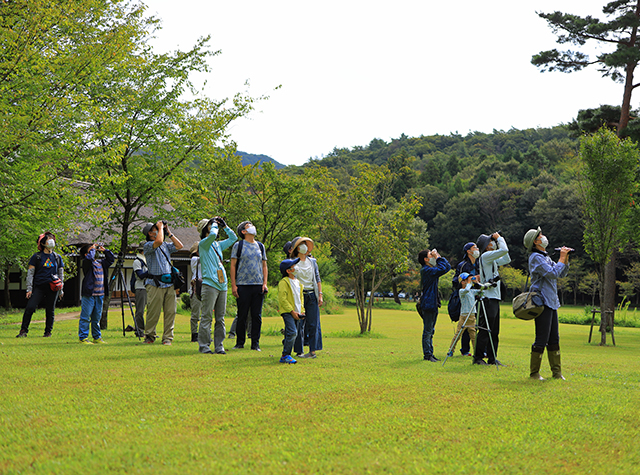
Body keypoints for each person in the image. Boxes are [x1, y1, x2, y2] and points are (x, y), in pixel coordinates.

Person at [523, 227, 570, 380]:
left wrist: (565, 259)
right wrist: (561, 258)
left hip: (551, 301)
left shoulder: (545, 256)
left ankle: (557, 373)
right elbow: (553, 273)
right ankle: (534, 373)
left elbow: (561, 273)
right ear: (535, 242)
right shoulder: (536, 257)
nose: (543, 237)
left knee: (554, 338)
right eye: (540, 235)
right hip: (541, 302)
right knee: (542, 337)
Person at [197, 216, 237, 355]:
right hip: (209, 284)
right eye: (210, 225)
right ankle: (204, 346)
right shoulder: (203, 244)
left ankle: (219, 345)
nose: (214, 227)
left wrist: (225, 226)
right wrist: (214, 224)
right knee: (207, 316)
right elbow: (213, 234)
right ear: (205, 229)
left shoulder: (217, 245)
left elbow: (233, 239)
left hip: (222, 285)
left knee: (220, 318)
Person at [142, 220, 183, 345]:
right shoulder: (148, 245)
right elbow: (158, 241)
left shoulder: (165, 245)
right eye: (155, 229)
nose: (159, 230)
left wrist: (169, 232)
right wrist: (160, 228)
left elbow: (179, 246)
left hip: (169, 283)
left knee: (170, 312)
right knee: (153, 312)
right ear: (150, 233)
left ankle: (167, 338)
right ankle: (149, 336)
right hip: (155, 284)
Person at [17, 232, 65, 338]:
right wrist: (29, 289)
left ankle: (48, 332)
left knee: (50, 310)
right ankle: (23, 330)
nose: (51, 240)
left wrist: (61, 289)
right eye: (48, 239)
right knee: (30, 307)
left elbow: (61, 274)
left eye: (52, 238)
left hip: (53, 287)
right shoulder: (36, 257)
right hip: (39, 286)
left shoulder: (57, 257)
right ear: (43, 243)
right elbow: (30, 274)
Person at [473, 231, 510, 366]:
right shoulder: (486, 256)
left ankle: (492, 357)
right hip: (488, 298)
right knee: (485, 329)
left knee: (494, 331)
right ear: (486, 246)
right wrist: (500, 238)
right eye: (491, 241)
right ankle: (478, 358)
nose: (493, 243)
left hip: (494, 297)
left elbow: (506, 258)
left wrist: (499, 242)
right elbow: (505, 249)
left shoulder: (491, 258)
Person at [230, 221, 268, 351]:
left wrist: (265, 283)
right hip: (242, 284)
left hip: (258, 285)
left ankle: (255, 344)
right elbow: (233, 265)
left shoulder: (260, 246)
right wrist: (233, 285)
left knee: (256, 316)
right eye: (248, 226)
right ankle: (240, 342)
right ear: (243, 232)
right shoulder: (238, 245)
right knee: (242, 315)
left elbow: (264, 265)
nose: (252, 226)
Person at [291, 236, 323, 358]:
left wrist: (320, 294)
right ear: (297, 248)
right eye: (301, 244)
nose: (304, 246)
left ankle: (313, 351)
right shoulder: (293, 261)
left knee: (313, 324)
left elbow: (317, 279)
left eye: (305, 244)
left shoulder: (313, 262)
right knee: (299, 324)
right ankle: (299, 351)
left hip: (312, 295)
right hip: (299, 295)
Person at [417, 248, 451, 362]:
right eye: (430, 256)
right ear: (426, 259)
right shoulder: (427, 270)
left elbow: (446, 267)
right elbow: (444, 268)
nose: (433, 257)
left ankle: (430, 353)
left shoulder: (430, 270)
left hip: (432, 303)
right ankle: (427, 355)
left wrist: (438, 257)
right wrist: (438, 257)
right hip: (428, 303)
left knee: (430, 330)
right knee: (428, 330)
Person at [78, 243, 115, 344]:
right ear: (86, 254)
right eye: (91, 250)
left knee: (96, 317)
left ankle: (97, 337)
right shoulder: (86, 263)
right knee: (86, 317)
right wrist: (92, 250)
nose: (94, 251)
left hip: (100, 294)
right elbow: (89, 259)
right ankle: (83, 338)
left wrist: (105, 251)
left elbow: (111, 259)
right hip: (89, 294)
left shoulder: (101, 263)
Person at [451, 242, 480, 356]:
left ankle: (477, 350)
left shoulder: (478, 263)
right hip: (465, 297)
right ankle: (465, 350)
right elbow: (457, 281)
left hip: (475, 296)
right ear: (468, 251)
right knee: (464, 328)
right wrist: (471, 280)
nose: (477, 249)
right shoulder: (463, 265)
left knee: (473, 326)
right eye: (475, 248)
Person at [278, 257, 304, 364]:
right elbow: (283, 299)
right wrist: (291, 311)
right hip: (288, 312)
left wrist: (302, 310)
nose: (296, 268)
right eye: (293, 267)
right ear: (288, 271)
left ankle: (286, 350)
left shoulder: (298, 282)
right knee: (293, 332)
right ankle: (285, 355)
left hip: (297, 312)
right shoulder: (283, 282)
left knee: (292, 333)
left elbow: (300, 298)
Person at [448, 273, 479, 357]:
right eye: (467, 280)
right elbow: (467, 290)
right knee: (458, 334)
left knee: (473, 335)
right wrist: (470, 282)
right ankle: (451, 350)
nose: (469, 281)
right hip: (464, 316)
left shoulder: (472, 291)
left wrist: (477, 282)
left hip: (472, 315)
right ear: (462, 282)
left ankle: (476, 352)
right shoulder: (461, 291)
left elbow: (481, 291)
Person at [131, 245, 148, 338]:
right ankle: (139, 330)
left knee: (151, 310)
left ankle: (149, 331)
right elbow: (140, 275)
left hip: (148, 287)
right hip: (141, 288)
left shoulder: (146, 260)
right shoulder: (137, 261)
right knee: (140, 311)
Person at [189, 242, 202, 342]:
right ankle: (194, 333)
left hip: (204, 286)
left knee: (205, 313)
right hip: (196, 288)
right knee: (195, 314)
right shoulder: (195, 259)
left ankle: (203, 333)